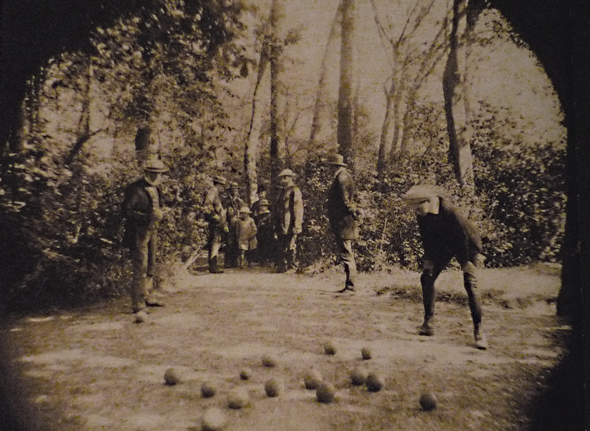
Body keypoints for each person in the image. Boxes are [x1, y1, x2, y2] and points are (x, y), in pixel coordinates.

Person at [402, 184, 488, 350]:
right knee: (426, 277)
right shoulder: (422, 213)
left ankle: (479, 331)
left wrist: (466, 264)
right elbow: (426, 238)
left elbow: (462, 237)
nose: (417, 213)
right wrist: (429, 261)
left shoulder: (449, 210)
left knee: (470, 283)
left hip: (467, 244)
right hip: (444, 245)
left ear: (428, 202)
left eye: (419, 208)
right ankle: (428, 324)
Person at [122, 157, 168, 322]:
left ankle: (148, 296)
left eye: (159, 173)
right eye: (154, 173)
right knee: (139, 267)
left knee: (150, 265)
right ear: (147, 172)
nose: (157, 176)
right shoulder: (135, 189)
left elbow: (159, 206)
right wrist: (147, 216)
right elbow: (126, 211)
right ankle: (138, 303)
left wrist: (162, 212)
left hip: (152, 230)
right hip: (138, 232)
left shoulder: (157, 189)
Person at [325, 153, 359, 293]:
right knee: (346, 252)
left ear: (334, 166)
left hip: (343, 221)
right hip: (345, 220)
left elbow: (345, 201)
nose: (329, 170)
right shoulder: (344, 176)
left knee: (346, 252)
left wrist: (352, 211)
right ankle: (349, 283)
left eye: (330, 167)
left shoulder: (341, 178)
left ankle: (351, 285)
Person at [274, 169, 304, 273]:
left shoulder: (294, 190)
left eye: (283, 178)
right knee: (282, 244)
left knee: (291, 244)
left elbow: (297, 208)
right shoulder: (283, 191)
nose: (281, 180)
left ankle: (293, 266)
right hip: (282, 223)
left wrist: (297, 224)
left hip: (289, 223)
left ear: (289, 178)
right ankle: (283, 266)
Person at [203, 175, 229, 274]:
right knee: (215, 242)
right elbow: (207, 204)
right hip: (215, 222)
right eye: (222, 185)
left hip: (218, 221)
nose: (223, 188)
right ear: (218, 184)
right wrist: (215, 216)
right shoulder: (213, 191)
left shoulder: (217, 193)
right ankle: (213, 266)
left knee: (216, 242)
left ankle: (213, 265)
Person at [224, 182, 247, 268]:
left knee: (237, 242)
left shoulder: (240, 201)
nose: (234, 191)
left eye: (236, 190)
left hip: (238, 224)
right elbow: (224, 212)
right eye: (233, 190)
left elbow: (244, 210)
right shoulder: (226, 201)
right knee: (229, 242)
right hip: (229, 223)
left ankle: (235, 261)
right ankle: (228, 262)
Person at [254, 199, 274, 266]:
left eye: (264, 206)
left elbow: (272, 224)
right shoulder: (257, 215)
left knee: (269, 245)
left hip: (268, 232)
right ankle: (262, 260)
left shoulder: (270, 215)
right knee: (261, 245)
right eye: (261, 206)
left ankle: (269, 260)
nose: (262, 208)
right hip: (260, 232)